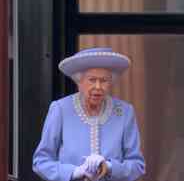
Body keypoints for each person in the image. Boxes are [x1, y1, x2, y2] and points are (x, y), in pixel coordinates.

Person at [33, 47, 145, 181]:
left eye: (103, 81)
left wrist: (109, 167)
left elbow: (137, 165)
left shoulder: (124, 112)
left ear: (110, 83)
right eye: (92, 80)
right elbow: (41, 162)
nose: (98, 86)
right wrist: (75, 172)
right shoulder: (60, 109)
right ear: (79, 82)